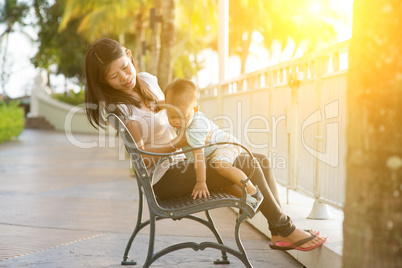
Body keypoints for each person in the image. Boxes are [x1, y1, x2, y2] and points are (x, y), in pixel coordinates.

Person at [84, 37, 327, 251]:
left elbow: (176, 115)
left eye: (125, 68)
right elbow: (142, 156)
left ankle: (278, 231)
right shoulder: (121, 109)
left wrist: (198, 134)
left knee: (260, 160)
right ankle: (286, 229)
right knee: (246, 161)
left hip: (184, 161)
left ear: (129, 55)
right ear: (104, 82)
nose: (125, 77)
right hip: (163, 179)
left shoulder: (147, 80)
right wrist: (178, 144)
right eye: (114, 76)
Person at [163, 78, 263, 207]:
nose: (177, 121)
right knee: (224, 183)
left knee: (221, 166)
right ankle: (245, 201)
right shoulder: (185, 112)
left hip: (224, 145)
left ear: (195, 110)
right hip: (212, 151)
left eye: (182, 117)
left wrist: (201, 182)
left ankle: (253, 192)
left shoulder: (196, 128)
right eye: (172, 116)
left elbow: (199, 157)